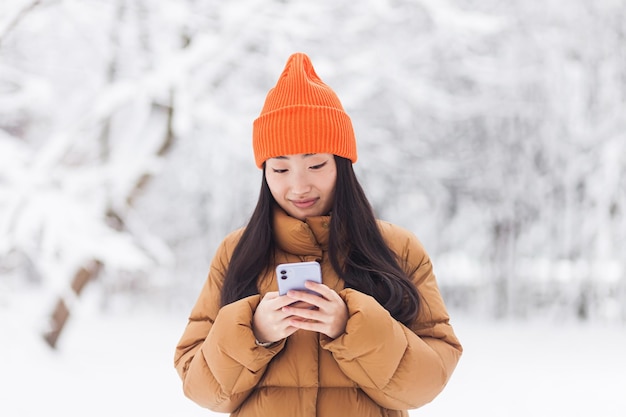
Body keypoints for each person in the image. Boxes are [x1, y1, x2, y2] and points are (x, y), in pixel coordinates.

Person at [174, 52, 462, 417]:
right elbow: (199, 388)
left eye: (315, 164)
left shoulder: (399, 249)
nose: (299, 186)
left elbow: (427, 383)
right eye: (280, 169)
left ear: (342, 163)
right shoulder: (236, 252)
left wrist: (351, 326)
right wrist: (254, 330)